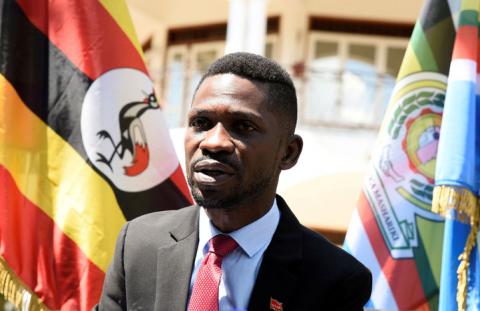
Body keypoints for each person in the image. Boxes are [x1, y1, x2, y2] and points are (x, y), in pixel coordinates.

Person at [96, 52, 372, 311]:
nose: (213, 142)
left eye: (244, 127)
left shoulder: (334, 279)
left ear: (287, 153)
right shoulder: (139, 244)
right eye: (201, 122)